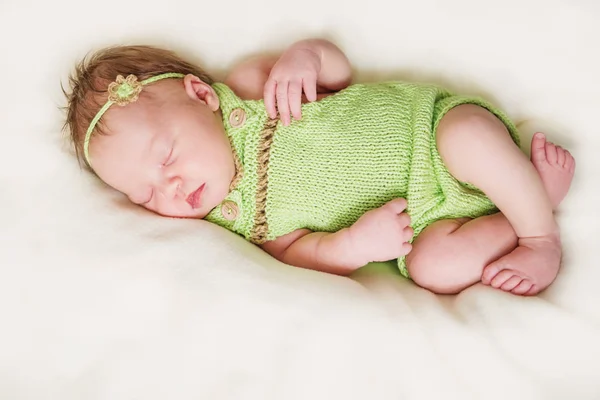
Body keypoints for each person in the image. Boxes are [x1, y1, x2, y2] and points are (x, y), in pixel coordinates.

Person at [62, 38, 575, 296]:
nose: (169, 189)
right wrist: (355, 246)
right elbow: (302, 253)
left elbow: (337, 69)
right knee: (434, 270)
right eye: (146, 196)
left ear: (201, 96)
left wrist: (305, 58)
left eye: (165, 158)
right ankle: (521, 212)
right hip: (425, 223)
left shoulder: (251, 87)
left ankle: (539, 239)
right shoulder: (237, 223)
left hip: (431, 136)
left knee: (470, 136)